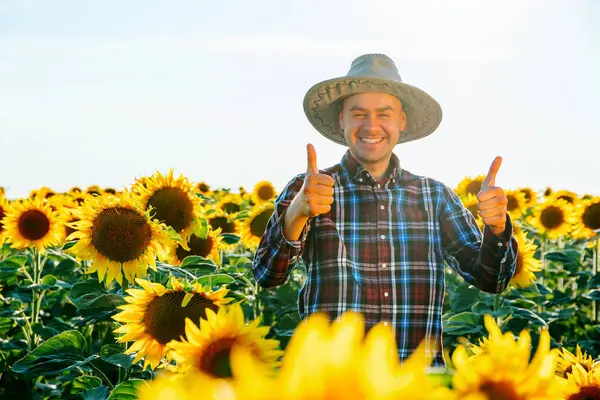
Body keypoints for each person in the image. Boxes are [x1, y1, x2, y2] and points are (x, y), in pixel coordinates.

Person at [251, 53, 518, 367]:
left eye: (384, 114)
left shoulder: (434, 196)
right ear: (342, 120)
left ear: (401, 122)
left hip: (417, 385)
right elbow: (267, 275)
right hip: (336, 382)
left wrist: (497, 228)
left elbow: (492, 280)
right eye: (359, 113)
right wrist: (296, 214)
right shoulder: (309, 189)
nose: (371, 125)